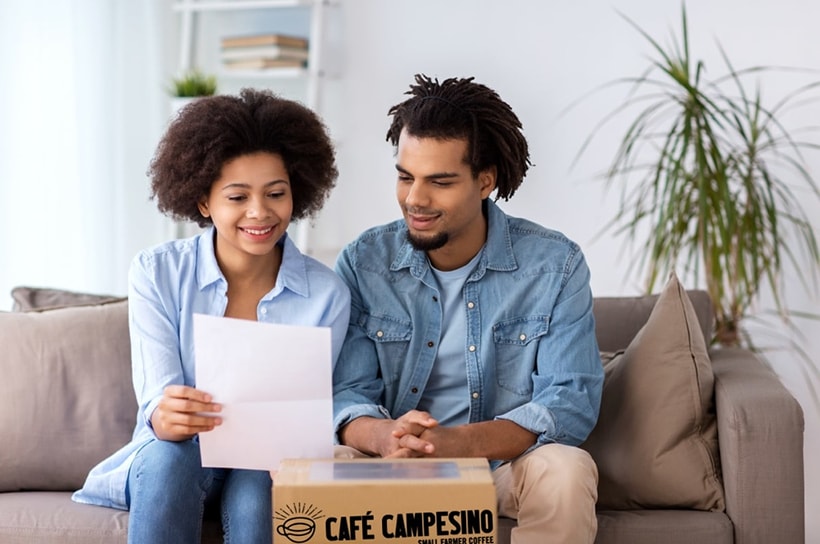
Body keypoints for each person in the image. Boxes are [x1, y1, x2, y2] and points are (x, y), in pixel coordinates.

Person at [332, 74, 603, 544]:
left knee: (566, 469)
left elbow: (569, 400)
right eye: (405, 177)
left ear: (485, 181)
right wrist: (388, 438)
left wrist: (452, 445)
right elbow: (347, 392)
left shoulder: (555, 264)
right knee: (326, 467)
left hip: (499, 469)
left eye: (440, 182)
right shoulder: (364, 263)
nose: (415, 199)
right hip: (392, 464)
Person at [72, 88, 351, 543]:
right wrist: (168, 415)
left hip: (261, 464)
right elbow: (157, 404)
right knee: (169, 456)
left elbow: (311, 413)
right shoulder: (156, 272)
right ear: (204, 202)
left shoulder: (327, 294)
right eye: (237, 197)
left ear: (296, 193)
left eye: (275, 193)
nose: (259, 212)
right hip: (176, 458)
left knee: (259, 485)